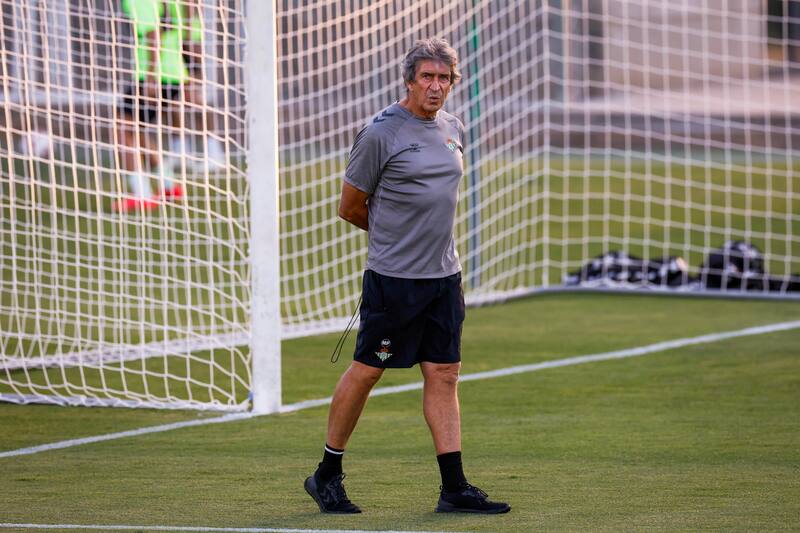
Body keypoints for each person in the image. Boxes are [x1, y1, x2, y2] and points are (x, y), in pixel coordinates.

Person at [304, 38, 510, 515]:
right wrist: (397, 237)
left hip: (444, 276)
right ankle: (326, 475)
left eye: (444, 79)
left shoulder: (453, 126)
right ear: (409, 80)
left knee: (444, 372)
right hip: (395, 279)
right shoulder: (380, 133)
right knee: (369, 370)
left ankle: (454, 488)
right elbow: (350, 207)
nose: (436, 87)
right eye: (427, 77)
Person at [115, 0, 197, 212]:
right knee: (134, 129)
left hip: (153, 75)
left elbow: (153, 34)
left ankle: (142, 194)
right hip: (174, 72)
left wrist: (152, 76)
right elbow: (184, 29)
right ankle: (169, 185)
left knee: (122, 129)